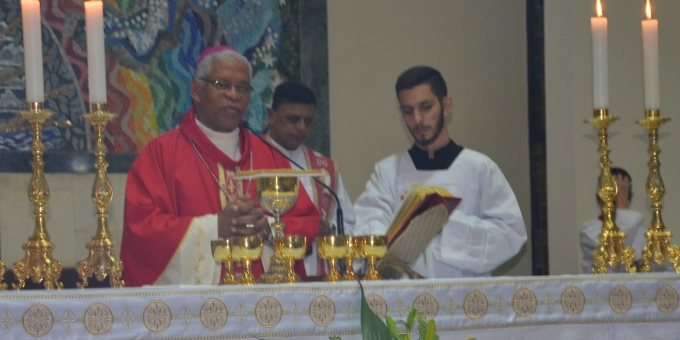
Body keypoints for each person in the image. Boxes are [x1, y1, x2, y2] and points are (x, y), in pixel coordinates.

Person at [120, 46, 320, 286]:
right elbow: (143, 230)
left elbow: (307, 219)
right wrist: (215, 227)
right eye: (222, 84)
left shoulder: (269, 155)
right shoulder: (161, 154)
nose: (234, 95)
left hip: (265, 305)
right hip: (197, 310)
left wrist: (269, 228)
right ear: (196, 90)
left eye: (243, 88)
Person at [353, 66, 527, 278]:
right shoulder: (387, 172)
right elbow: (366, 230)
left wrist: (442, 224)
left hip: (465, 301)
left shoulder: (480, 168)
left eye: (426, 107)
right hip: (404, 303)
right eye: (408, 111)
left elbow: (511, 235)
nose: (417, 119)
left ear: (446, 105)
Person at [265, 81, 356, 276]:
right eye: (293, 119)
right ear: (271, 116)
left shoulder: (324, 169)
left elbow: (348, 223)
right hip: (266, 274)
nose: (301, 127)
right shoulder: (253, 160)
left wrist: (329, 228)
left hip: (316, 275)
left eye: (308, 121)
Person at [579, 167, 647, 273]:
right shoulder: (589, 231)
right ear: (599, 197)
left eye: (619, 195)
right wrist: (621, 201)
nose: (613, 202)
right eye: (610, 196)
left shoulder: (642, 233)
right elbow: (614, 257)